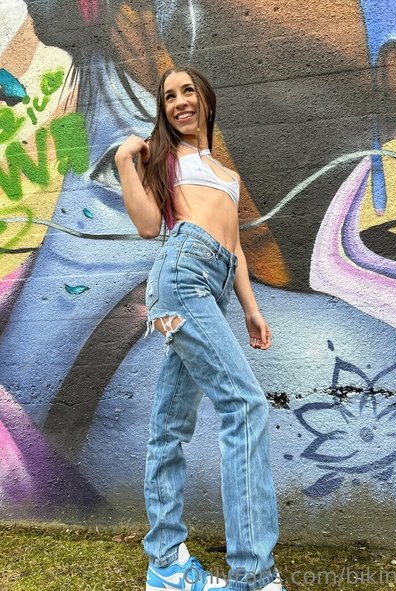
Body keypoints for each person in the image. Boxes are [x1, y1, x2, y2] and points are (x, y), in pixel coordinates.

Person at [115, 66, 286, 591]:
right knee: (245, 406)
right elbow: (149, 225)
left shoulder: (228, 176)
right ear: (164, 110)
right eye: (169, 96)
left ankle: (165, 563)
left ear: (206, 100)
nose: (179, 101)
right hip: (180, 277)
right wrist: (124, 162)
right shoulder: (165, 157)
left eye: (187, 91)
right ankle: (253, 575)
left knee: (169, 425)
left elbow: (234, 247)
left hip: (211, 284)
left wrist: (251, 309)